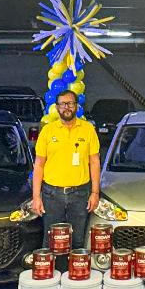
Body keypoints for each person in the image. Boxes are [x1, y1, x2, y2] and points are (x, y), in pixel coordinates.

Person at [31, 89, 100, 249]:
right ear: (57, 107)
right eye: (62, 104)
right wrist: (36, 196)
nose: (66, 107)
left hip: (80, 194)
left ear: (76, 106)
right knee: (51, 241)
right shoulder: (48, 131)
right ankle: (53, 266)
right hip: (52, 194)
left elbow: (94, 162)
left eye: (70, 103)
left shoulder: (88, 129)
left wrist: (95, 193)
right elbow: (39, 164)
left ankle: (74, 266)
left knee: (77, 241)